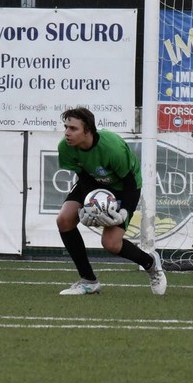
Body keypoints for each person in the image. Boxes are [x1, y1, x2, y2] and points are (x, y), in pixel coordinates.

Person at [55, 107, 167, 295]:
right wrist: (90, 206)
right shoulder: (65, 147)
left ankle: (151, 264)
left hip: (124, 187)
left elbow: (131, 185)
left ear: (88, 130)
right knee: (64, 220)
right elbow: (84, 178)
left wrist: (123, 212)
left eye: (73, 128)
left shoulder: (112, 148)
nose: (67, 133)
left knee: (111, 243)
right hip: (91, 183)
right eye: (66, 127)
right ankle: (88, 281)